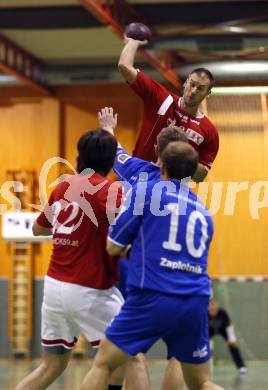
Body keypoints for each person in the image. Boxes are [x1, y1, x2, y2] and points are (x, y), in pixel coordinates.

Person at [81, 140, 224, 390]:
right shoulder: (203, 212)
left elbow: (113, 247)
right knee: (202, 382)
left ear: (161, 166)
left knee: (104, 363)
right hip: (195, 302)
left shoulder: (145, 192)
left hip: (153, 296)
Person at [15, 129, 125, 390]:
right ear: (111, 161)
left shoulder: (63, 186)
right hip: (90, 288)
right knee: (123, 359)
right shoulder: (111, 191)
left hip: (53, 287)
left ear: (79, 156)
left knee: (51, 366)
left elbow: (37, 229)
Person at [118, 36, 219, 182]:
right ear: (185, 83)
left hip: (169, 191)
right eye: (192, 84)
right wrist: (133, 43)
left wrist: (181, 153)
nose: (194, 90)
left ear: (207, 94)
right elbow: (124, 67)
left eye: (200, 88)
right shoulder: (161, 98)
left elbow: (200, 176)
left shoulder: (209, 132)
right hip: (136, 177)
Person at [208, 299, 247, 375]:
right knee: (201, 346)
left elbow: (229, 326)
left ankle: (241, 366)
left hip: (223, 330)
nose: (212, 308)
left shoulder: (223, 313)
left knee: (233, 346)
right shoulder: (205, 314)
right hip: (210, 330)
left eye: (214, 305)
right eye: (210, 306)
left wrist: (232, 338)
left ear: (217, 306)